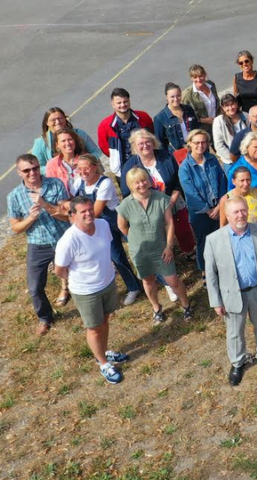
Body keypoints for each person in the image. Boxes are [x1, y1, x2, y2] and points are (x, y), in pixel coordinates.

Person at [203, 196, 257, 386]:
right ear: (227, 216)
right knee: (234, 331)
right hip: (232, 294)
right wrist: (216, 301)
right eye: (236, 212)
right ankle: (238, 362)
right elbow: (210, 274)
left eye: (243, 210)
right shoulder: (214, 240)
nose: (241, 215)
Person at [54, 197, 129, 384]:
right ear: (73, 215)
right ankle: (103, 363)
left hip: (107, 282)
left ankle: (103, 352)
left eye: (90, 209)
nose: (89, 214)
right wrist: (78, 281)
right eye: (83, 211)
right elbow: (60, 270)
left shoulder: (102, 225)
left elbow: (106, 248)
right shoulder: (68, 241)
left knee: (105, 320)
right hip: (86, 291)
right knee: (94, 328)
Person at [117, 168, 193, 324]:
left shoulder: (161, 199)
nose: (141, 184)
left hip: (161, 248)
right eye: (136, 182)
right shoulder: (125, 205)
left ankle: (186, 304)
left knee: (173, 280)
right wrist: (135, 240)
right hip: (140, 251)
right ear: (130, 185)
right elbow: (122, 226)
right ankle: (157, 308)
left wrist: (169, 246)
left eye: (143, 180)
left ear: (149, 180)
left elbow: (169, 223)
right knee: (148, 281)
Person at [8, 154, 70, 335]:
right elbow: (16, 227)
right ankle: (45, 318)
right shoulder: (15, 196)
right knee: (35, 287)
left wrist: (45, 205)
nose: (32, 172)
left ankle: (96, 307)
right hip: (38, 244)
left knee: (79, 274)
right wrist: (30, 219)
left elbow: (66, 215)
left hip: (63, 237)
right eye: (27, 170)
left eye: (35, 168)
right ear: (19, 173)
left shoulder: (55, 184)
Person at [73, 154, 141, 305]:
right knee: (117, 258)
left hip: (117, 220)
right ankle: (134, 287)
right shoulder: (78, 183)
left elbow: (96, 211)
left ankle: (160, 277)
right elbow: (71, 202)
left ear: (95, 167)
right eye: (79, 168)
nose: (83, 172)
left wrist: (75, 216)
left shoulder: (105, 182)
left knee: (139, 247)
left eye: (86, 168)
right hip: (100, 226)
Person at [120, 129, 196, 256]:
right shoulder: (130, 166)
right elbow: (127, 192)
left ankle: (189, 251)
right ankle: (164, 256)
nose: (145, 145)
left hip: (172, 199)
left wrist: (171, 202)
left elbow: (178, 181)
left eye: (148, 141)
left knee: (183, 228)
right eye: (141, 144)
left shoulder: (165, 156)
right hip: (147, 208)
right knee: (157, 235)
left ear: (153, 142)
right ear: (134, 146)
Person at [179, 129, 227, 270]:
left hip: (219, 207)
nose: (200, 145)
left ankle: (221, 266)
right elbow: (190, 192)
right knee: (203, 242)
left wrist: (219, 206)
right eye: (197, 142)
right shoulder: (185, 168)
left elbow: (222, 180)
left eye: (203, 142)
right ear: (190, 144)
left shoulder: (212, 160)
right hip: (200, 213)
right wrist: (208, 210)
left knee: (220, 239)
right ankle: (206, 271)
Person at [97, 88, 152, 175]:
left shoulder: (143, 117)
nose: (123, 105)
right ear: (113, 104)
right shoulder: (105, 125)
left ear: (129, 101)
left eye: (125, 101)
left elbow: (152, 136)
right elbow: (104, 147)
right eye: (119, 103)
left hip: (147, 164)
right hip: (123, 170)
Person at [33, 107, 102, 173]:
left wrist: (84, 162)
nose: (57, 122)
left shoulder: (79, 134)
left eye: (60, 118)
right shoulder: (40, 143)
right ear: (47, 123)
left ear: (65, 119)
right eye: (53, 120)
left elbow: (96, 152)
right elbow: (38, 167)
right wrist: (59, 169)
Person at [219, 166, 257, 231]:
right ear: (233, 181)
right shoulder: (226, 199)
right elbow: (223, 225)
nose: (246, 184)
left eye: (248, 180)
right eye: (242, 181)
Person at [154, 82, 199, 154]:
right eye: (172, 96)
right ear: (166, 97)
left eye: (178, 95)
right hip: (177, 155)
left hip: (195, 149)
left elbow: (197, 129)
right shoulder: (159, 118)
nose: (176, 99)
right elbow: (160, 143)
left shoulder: (188, 109)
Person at [45, 128, 89, 196]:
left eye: (70, 139)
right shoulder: (52, 164)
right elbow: (52, 190)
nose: (67, 143)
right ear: (57, 145)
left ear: (75, 141)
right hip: (66, 203)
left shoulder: (86, 159)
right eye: (63, 141)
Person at [212, 94, 248, 168]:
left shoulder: (245, 116)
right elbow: (219, 145)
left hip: (248, 158)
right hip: (231, 162)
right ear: (223, 107)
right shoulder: (218, 121)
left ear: (237, 104)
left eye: (232, 104)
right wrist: (234, 158)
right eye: (227, 106)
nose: (230, 108)